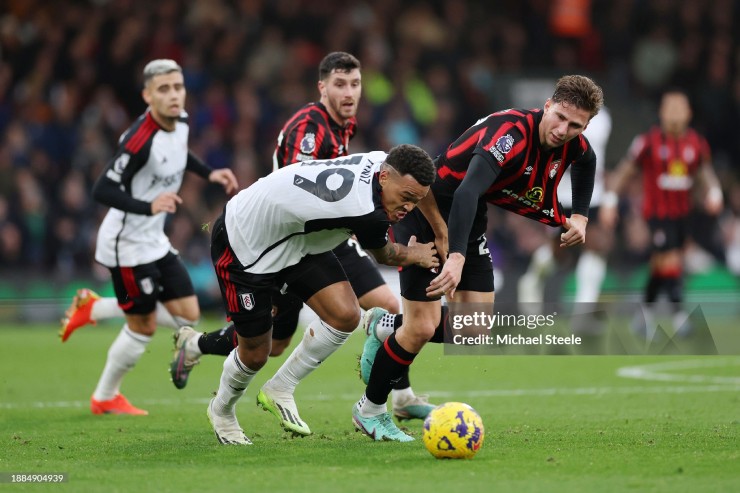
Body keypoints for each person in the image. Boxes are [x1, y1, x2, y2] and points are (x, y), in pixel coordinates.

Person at [169, 52, 436, 421]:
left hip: (333, 233)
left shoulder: (345, 126)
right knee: (270, 344)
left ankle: (399, 396)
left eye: (355, 84)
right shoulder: (309, 129)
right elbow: (300, 185)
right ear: (322, 87)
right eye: (340, 84)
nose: (349, 92)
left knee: (385, 307)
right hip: (293, 236)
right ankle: (197, 344)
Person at [354, 75, 604, 441]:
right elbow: (468, 190)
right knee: (421, 327)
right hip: (426, 210)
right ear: (547, 105)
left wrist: (580, 214)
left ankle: (385, 326)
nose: (564, 130)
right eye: (560, 118)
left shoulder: (574, 143)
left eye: (575, 125)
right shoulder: (510, 135)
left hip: (468, 218)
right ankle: (370, 411)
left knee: (475, 330)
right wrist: (454, 255)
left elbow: (587, 160)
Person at [205, 145, 438, 445]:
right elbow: (388, 254)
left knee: (345, 315)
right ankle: (221, 410)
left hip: (296, 240)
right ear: (383, 178)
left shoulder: (382, 160)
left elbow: (420, 193)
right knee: (256, 352)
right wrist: (417, 255)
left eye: (415, 201)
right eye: (405, 198)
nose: (408, 208)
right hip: (244, 243)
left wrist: (437, 227)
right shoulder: (367, 212)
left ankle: (281, 388)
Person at [61, 59, 238, 415]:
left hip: (154, 239)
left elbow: (178, 155)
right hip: (126, 245)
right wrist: (149, 205)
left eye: (178, 87)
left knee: (188, 314)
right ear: (147, 95)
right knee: (140, 326)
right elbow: (102, 189)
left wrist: (209, 173)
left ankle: (93, 307)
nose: (173, 95)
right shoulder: (138, 140)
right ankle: (105, 396)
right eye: (163, 89)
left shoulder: (182, 120)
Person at [600, 89, 723, 337]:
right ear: (661, 113)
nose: (675, 114)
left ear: (689, 113)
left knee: (660, 266)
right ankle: (679, 317)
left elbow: (704, 172)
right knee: (671, 261)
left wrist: (715, 192)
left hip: (682, 215)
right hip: (657, 215)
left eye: (680, 109)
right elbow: (625, 171)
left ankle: (642, 316)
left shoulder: (696, 143)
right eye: (670, 109)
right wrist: (610, 200)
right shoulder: (648, 142)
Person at [517, 106, 613, 311]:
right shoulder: (555, 115)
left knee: (596, 246)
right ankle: (532, 280)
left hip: (591, 196)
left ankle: (584, 309)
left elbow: (597, 156)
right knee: (559, 253)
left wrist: (608, 198)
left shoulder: (602, 118)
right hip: (558, 194)